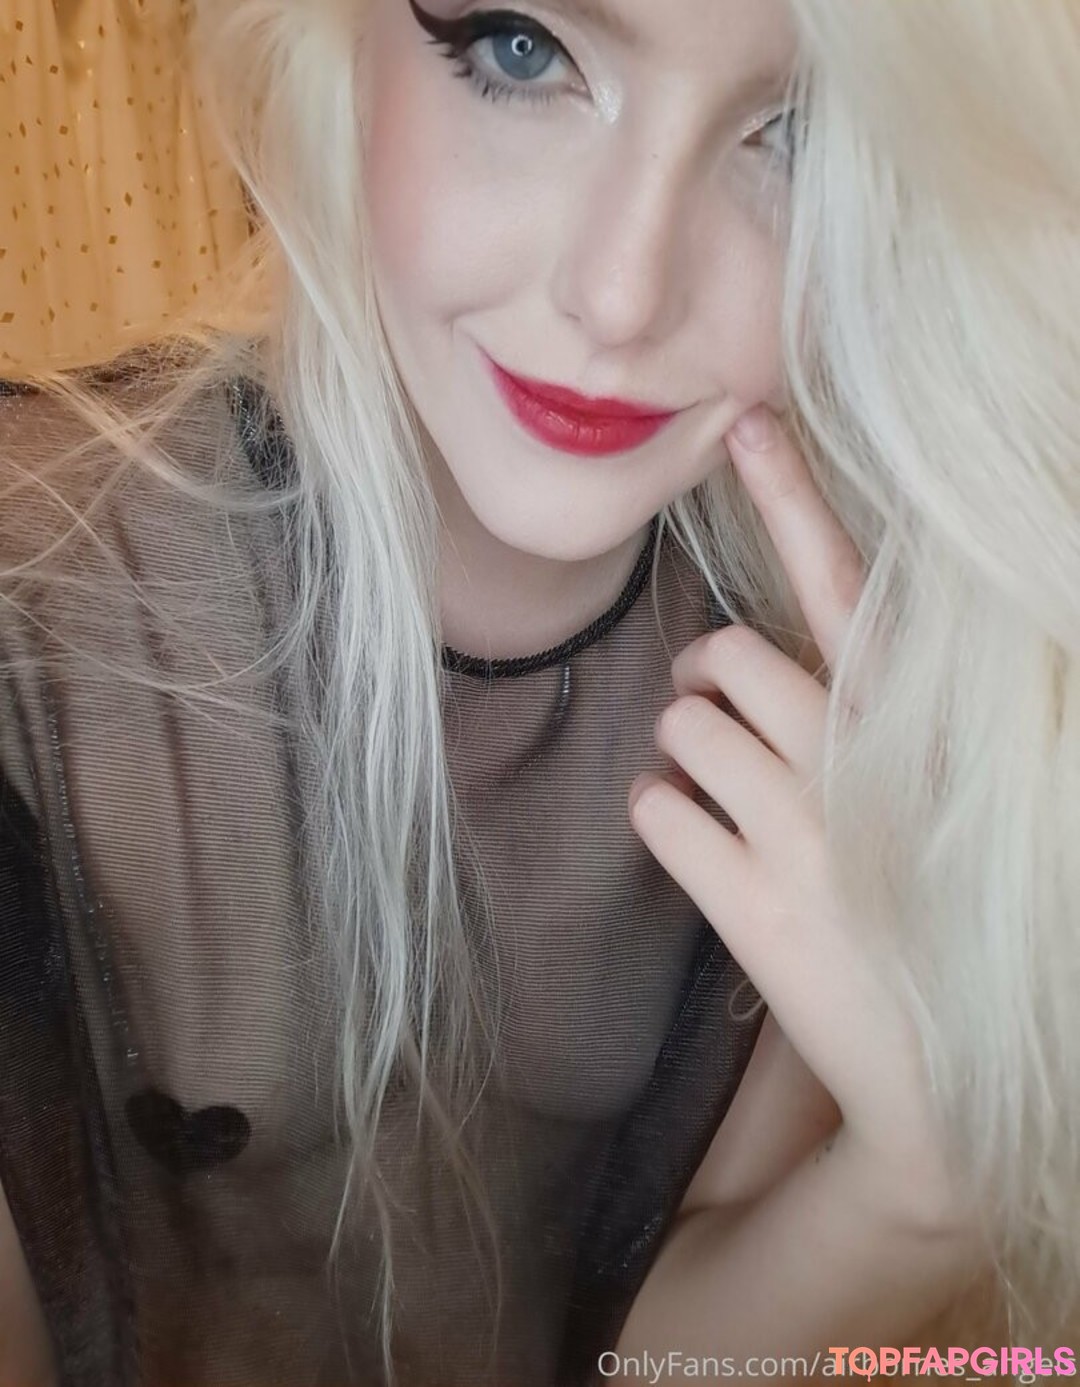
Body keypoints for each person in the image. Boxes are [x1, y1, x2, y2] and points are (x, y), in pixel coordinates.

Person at [0, 0, 1076, 1383]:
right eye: (523, 47)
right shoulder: (34, 622)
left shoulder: (842, 678)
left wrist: (920, 1194)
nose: (622, 295)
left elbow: (661, 1359)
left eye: (808, 133)